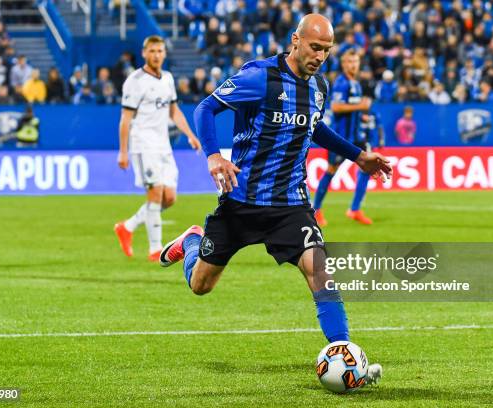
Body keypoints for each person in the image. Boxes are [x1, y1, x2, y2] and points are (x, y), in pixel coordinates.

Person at [159, 14, 390, 383]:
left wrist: (358, 155)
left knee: (321, 273)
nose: (320, 56)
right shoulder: (259, 77)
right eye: (315, 47)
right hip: (242, 201)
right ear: (295, 40)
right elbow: (206, 107)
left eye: (327, 50)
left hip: (290, 205)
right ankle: (190, 242)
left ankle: (346, 358)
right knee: (201, 285)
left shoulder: (319, 87)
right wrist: (214, 155)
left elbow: (317, 129)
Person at [114, 36, 202, 261]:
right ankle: (155, 249)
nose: (156, 55)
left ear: (164, 53)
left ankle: (127, 226)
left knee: (170, 197)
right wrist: (123, 151)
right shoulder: (134, 81)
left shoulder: (168, 79)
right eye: (152, 51)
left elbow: (174, 112)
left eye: (160, 51)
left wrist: (191, 135)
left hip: (163, 145)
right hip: (143, 145)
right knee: (155, 194)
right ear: (144, 53)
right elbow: (125, 118)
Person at [312, 48, 373, 227]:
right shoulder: (341, 83)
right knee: (331, 170)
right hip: (341, 137)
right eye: (350, 62)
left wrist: (362, 115)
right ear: (344, 64)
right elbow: (337, 107)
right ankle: (316, 210)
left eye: (355, 62)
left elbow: (351, 107)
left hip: (356, 135)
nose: (353, 65)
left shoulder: (356, 84)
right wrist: (360, 106)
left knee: (367, 167)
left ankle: (354, 209)